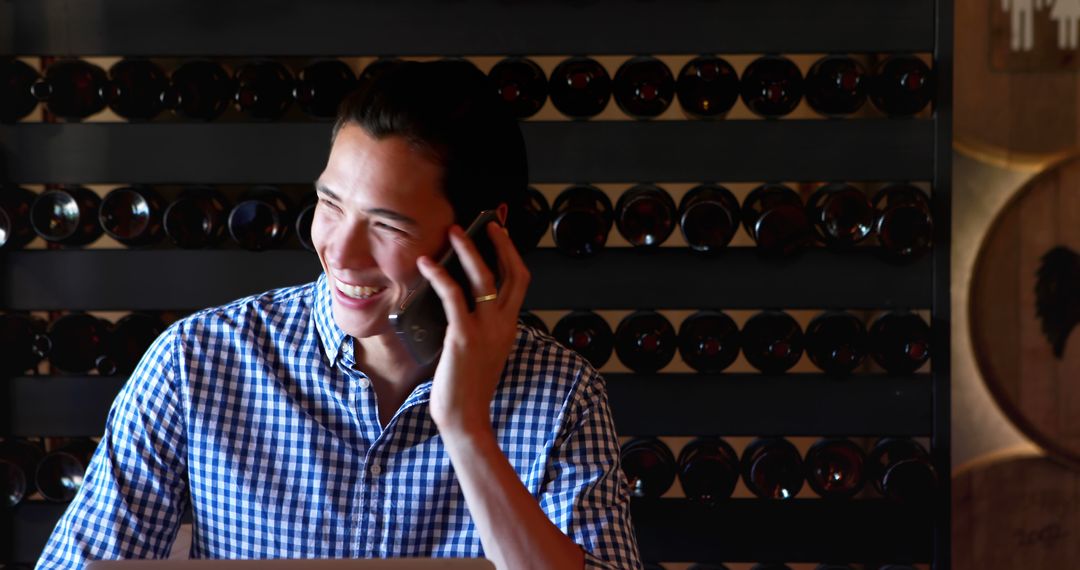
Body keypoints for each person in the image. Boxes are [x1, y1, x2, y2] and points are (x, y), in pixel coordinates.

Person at [36, 60, 641, 569]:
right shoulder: (195, 362)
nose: (340, 254)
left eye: (386, 224)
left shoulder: (562, 394)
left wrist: (467, 431)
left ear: (482, 237)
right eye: (330, 204)